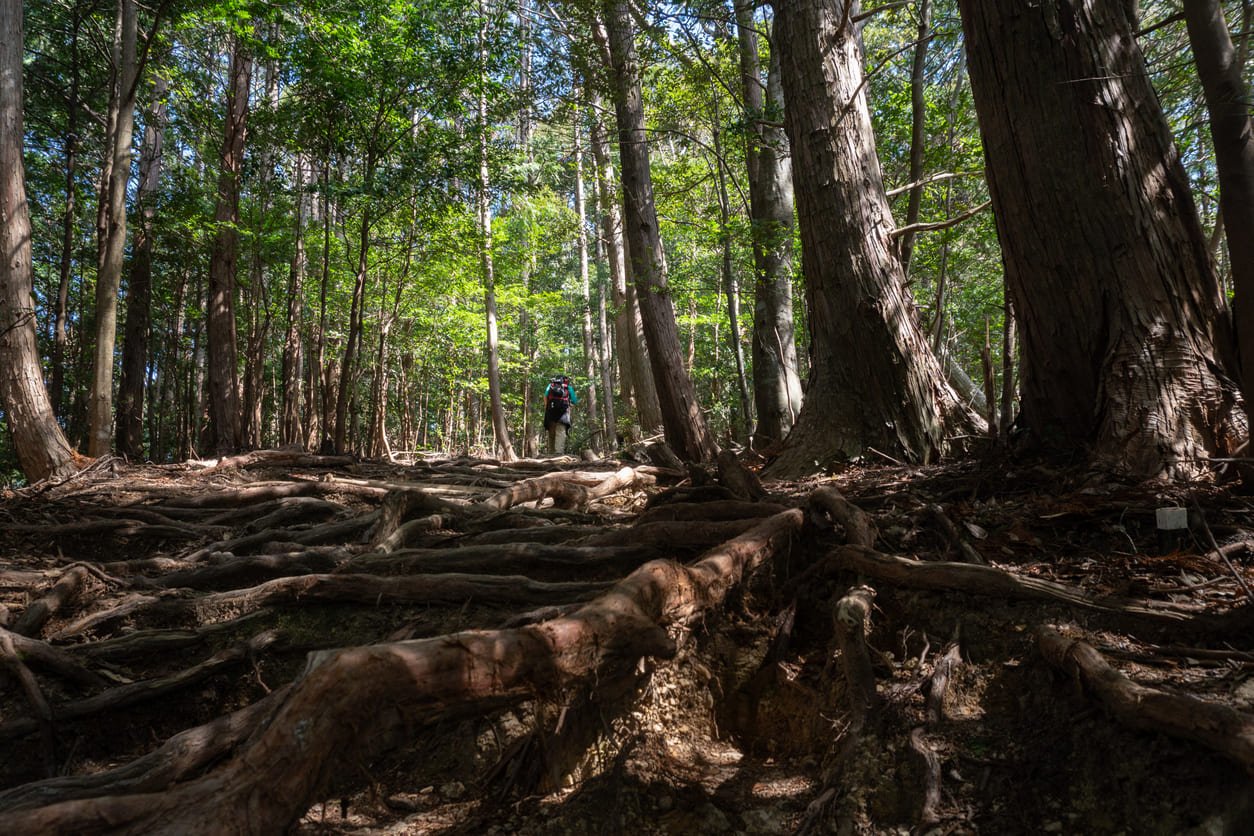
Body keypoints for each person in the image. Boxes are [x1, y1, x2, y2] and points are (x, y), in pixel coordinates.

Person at [542, 374, 578, 454]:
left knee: (551, 434)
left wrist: (547, 408)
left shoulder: (550, 386)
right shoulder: (568, 387)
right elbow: (575, 401)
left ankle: (550, 454)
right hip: (563, 414)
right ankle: (558, 454)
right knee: (560, 433)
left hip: (550, 413)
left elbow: (545, 396)